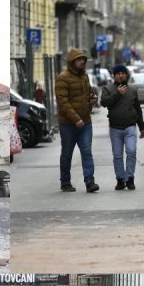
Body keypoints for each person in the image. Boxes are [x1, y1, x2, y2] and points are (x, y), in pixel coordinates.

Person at [56, 48, 99, 193]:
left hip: (86, 122)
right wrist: (76, 119)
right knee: (67, 153)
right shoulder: (63, 77)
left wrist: (92, 100)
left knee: (87, 151)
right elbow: (63, 102)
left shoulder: (85, 76)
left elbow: (86, 96)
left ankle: (89, 181)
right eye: (79, 59)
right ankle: (65, 182)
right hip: (68, 124)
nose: (82, 62)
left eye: (83, 60)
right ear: (72, 62)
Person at [101, 65, 144, 191]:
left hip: (130, 127)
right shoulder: (108, 88)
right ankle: (120, 179)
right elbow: (104, 102)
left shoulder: (132, 90)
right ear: (114, 75)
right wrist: (117, 94)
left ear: (127, 75)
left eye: (123, 73)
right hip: (115, 128)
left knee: (131, 151)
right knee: (117, 155)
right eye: (118, 73)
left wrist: (141, 127)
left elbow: (137, 109)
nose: (120, 75)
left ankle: (130, 178)